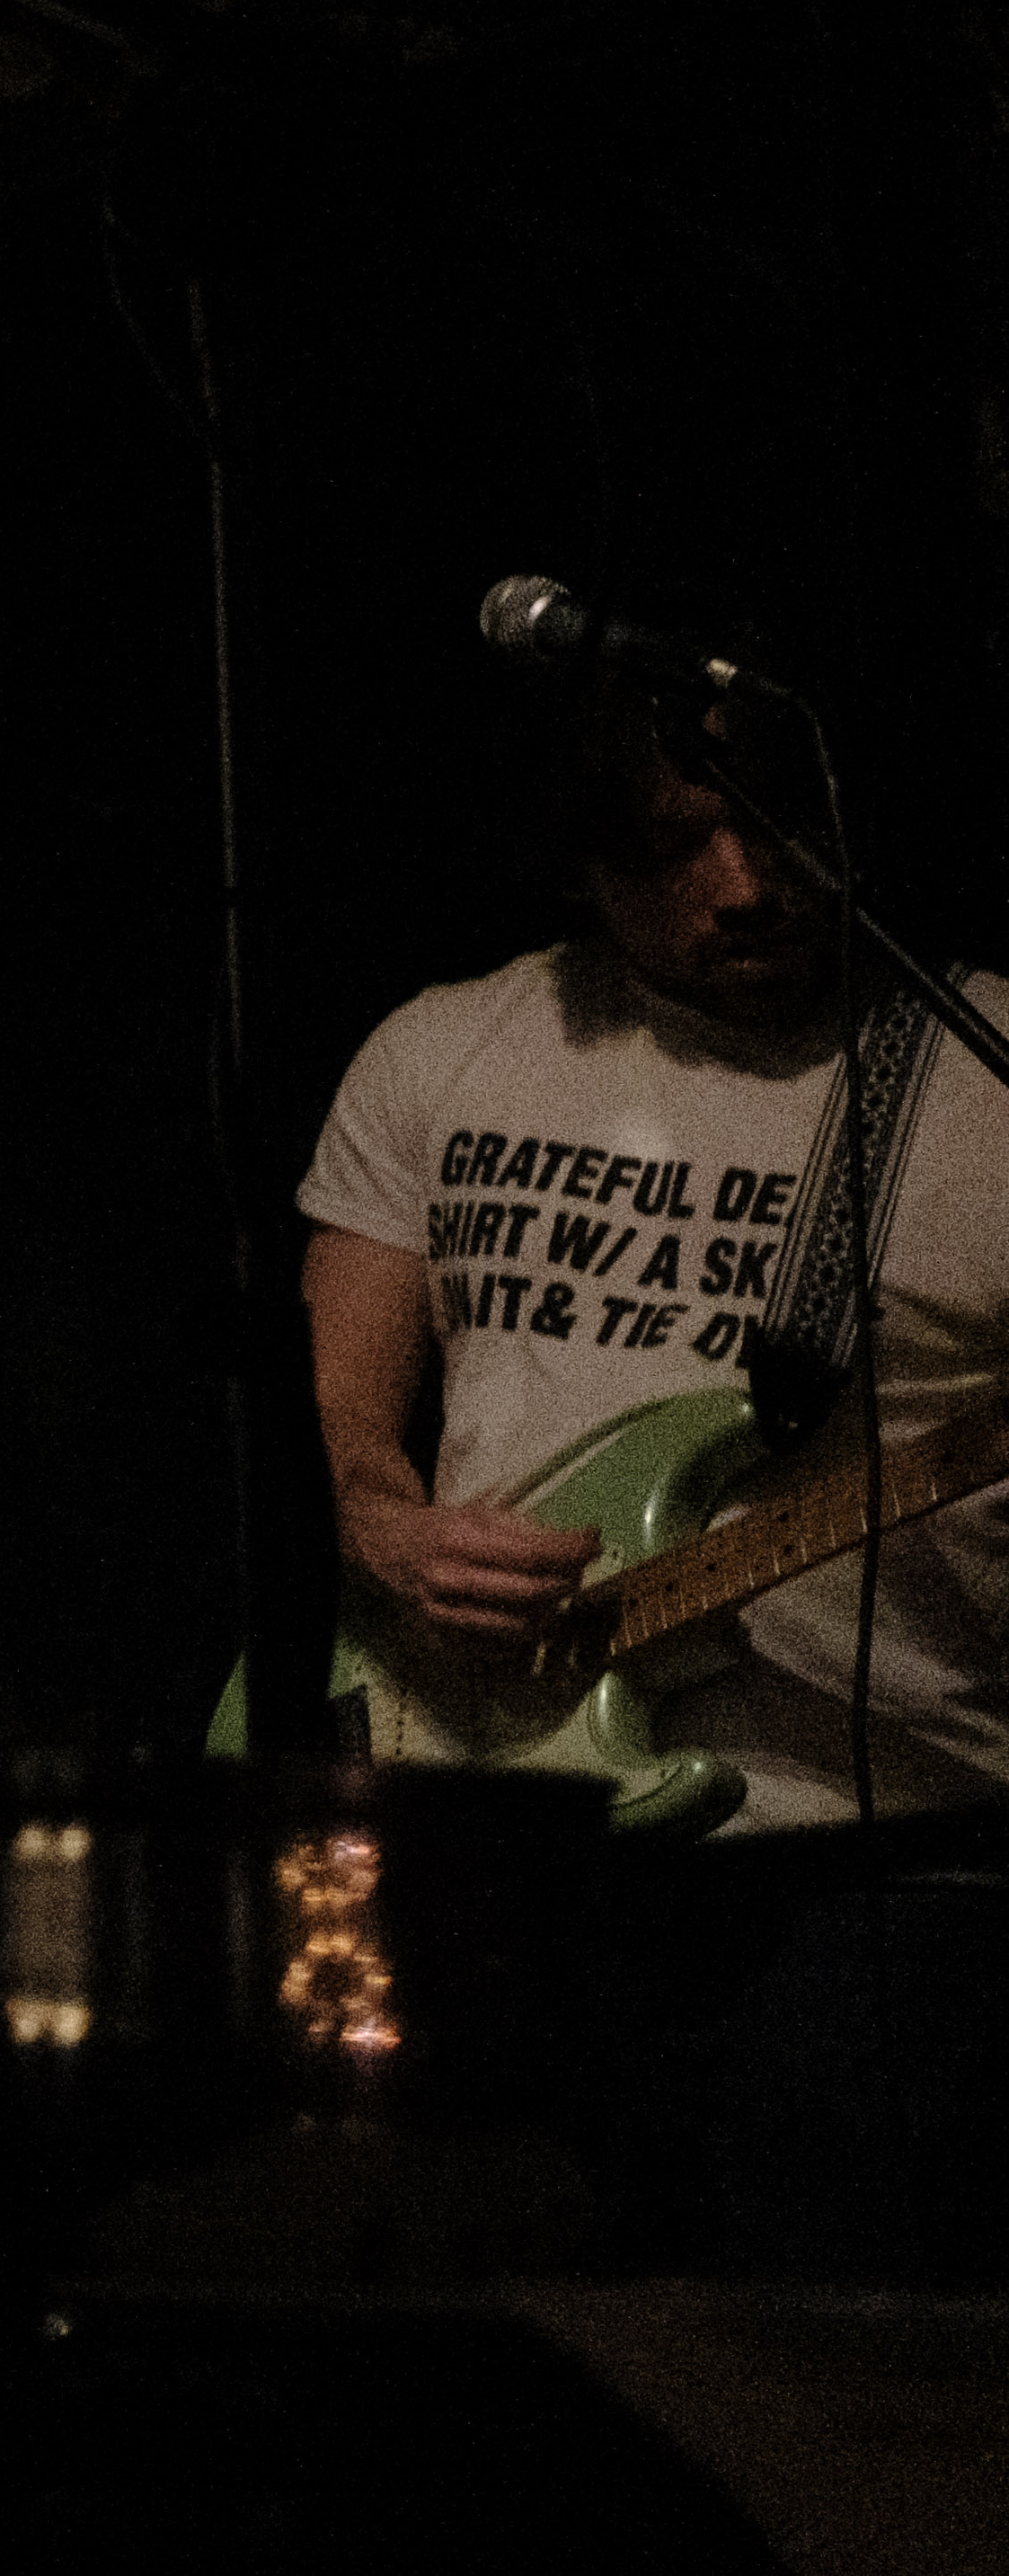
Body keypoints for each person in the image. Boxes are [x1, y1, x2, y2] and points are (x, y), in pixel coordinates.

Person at [300, 684, 1009, 2277]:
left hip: (887, 1857)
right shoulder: (443, 1046)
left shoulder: (983, 1073)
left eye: (774, 829)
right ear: (576, 863)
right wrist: (383, 1526)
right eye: (669, 847)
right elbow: (350, 1413)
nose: (742, 884)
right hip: (496, 1821)